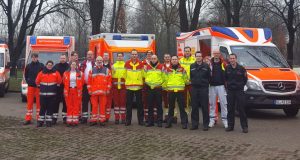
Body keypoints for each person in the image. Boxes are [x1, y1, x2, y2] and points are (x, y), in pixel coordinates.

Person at [225, 54, 248, 133]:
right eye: (231, 58)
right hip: (230, 91)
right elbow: (225, 79)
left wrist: (240, 86)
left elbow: (245, 79)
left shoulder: (241, 68)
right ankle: (230, 126)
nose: (232, 60)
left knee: (241, 109)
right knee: (230, 109)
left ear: (236, 59)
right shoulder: (227, 68)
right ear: (229, 60)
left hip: (239, 91)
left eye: (233, 58)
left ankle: (244, 127)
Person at [36, 61, 62, 127]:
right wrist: (41, 88)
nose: (49, 66)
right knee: (42, 108)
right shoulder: (41, 73)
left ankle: (48, 122)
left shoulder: (56, 73)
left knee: (50, 109)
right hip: (43, 95)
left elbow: (60, 81)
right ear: (46, 65)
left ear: (52, 65)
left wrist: (55, 88)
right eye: (48, 65)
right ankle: (40, 122)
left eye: (51, 65)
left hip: (52, 95)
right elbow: (37, 82)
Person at [165, 56, 188, 129]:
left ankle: (184, 123)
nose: (174, 60)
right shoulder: (167, 69)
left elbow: (185, 79)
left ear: (178, 60)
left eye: (175, 59)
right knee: (171, 108)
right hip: (171, 91)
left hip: (180, 91)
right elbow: (165, 79)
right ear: (171, 61)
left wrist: (188, 82)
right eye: (173, 59)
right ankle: (169, 123)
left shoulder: (182, 69)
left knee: (182, 108)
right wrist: (166, 87)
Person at [190, 52, 211, 131]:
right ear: (195, 57)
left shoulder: (206, 66)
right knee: (194, 107)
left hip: (203, 88)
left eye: (200, 56)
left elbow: (209, 77)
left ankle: (206, 124)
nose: (198, 57)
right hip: (194, 88)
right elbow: (191, 76)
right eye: (197, 56)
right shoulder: (192, 66)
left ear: (202, 57)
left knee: (204, 107)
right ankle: (195, 124)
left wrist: (205, 83)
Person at [88, 56, 112, 126]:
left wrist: (108, 89)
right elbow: (89, 82)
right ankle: (94, 120)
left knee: (102, 106)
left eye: (100, 60)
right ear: (96, 61)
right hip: (94, 92)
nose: (99, 61)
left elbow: (109, 81)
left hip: (103, 92)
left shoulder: (107, 70)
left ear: (102, 61)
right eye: (98, 60)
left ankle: (102, 120)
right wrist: (89, 90)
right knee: (94, 106)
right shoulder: (92, 70)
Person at [124, 49, 144, 126]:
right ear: (130, 55)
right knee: (128, 105)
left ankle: (141, 121)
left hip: (138, 87)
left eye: (135, 54)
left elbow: (143, 75)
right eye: (133, 54)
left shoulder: (141, 64)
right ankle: (128, 121)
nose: (134, 55)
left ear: (137, 55)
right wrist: (128, 81)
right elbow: (124, 75)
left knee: (140, 105)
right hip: (129, 87)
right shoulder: (127, 63)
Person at [209, 51, 228, 128]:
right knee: (212, 104)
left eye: (218, 53)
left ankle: (225, 120)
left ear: (219, 55)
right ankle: (212, 120)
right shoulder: (209, 63)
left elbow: (227, 72)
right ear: (213, 54)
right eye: (215, 53)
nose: (216, 55)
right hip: (212, 86)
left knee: (223, 103)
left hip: (221, 86)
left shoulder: (223, 63)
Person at [23, 54, 44, 125]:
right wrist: (28, 81)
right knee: (29, 103)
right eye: (33, 57)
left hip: (39, 87)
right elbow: (26, 75)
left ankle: (39, 119)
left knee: (39, 103)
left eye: (35, 57)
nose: (34, 58)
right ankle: (28, 119)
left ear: (37, 58)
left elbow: (43, 75)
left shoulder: (41, 66)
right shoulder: (28, 66)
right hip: (31, 86)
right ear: (31, 58)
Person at [144, 55, 164, 127]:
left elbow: (164, 77)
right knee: (150, 105)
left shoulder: (161, 66)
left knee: (159, 105)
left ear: (157, 59)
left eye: (155, 58)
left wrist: (160, 84)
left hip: (158, 88)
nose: (153, 59)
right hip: (150, 88)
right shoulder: (147, 67)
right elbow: (145, 76)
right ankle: (150, 121)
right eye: (152, 58)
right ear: (150, 59)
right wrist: (148, 84)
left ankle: (159, 121)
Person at [63, 61, 84, 126]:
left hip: (76, 90)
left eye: (75, 64)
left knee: (76, 105)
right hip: (69, 90)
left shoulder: (80, 73)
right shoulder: (65, 73)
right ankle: (69, 121)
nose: (73, 66)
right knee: (69, 105)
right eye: (72, 64)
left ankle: (75, 121)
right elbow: (64, 82)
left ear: (76, 65)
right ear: (70, 65)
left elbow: (82, 82)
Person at [53, 54, 69, 124]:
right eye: (61, 58)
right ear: (60, 59)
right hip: (57, 88)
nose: (62, 59)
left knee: (65, 103)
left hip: (65, 87)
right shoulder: (56, 66)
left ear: (66, 59)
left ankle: (65, 117)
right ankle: (54, 118)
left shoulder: (68, 66)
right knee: (56, 103)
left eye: (64, 58)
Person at [162, 53, 178, 123]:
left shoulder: (173, 66)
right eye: (166, 57)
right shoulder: (162, 66)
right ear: (164, 58)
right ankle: (166, 116)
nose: (167, 58)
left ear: (170, 59)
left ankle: (174, 116)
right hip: (164, 87)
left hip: (172, 87)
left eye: (168, 57)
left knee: (173, 102)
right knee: (166, 102)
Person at [79, 51, 95, 124]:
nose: (89, 56)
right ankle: (84, 118)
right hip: (85, 85)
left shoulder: (95, 64)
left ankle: (92, 118)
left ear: (93, 55)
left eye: (91, 54)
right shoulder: (82, 64)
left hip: (93, 85)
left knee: (93, 102)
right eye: (88, 54)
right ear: (86, 55)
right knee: (84, 102)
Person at [179, 46, 196, 114]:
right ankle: (185, 113)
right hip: (183, 82)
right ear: (184, 52)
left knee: (193, 98)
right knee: (183, 99)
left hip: (192, 82)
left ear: (190, 52)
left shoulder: (194, 60)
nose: (187, 52)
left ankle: (193, 112)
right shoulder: (181, 60)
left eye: (188, 51)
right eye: (186, 51)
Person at [112, 53, 127, 124]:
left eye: (121, 56)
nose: (120, 57)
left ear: (123, 57)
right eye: (118, 56)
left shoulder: (125, 65)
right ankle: (117, 118)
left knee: (123, 102)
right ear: (117, 57)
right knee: (116, 103)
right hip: (115, 87)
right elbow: (111, 76)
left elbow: (127, 76)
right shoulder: (113, 66)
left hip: (123, 87)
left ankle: (123, 118)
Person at [142, 50, 154, 122]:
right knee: (146, 101)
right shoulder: (143, 63)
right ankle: (147, 117)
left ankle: (154, 117)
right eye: (148, 54)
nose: (149, 55)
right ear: (146, 55)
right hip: (145, 84)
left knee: (154, 101)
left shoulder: (155, 63)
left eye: (150, 54)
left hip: (154, 84)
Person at [103, 52, 113, 122]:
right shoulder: (100, 65)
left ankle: (107, 117)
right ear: (103, 57)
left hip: (109, 86)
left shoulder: (111, 66)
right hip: (101, 87)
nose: (106, 57)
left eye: (107, 56)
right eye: (105, 56)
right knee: (103, 103)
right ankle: (102, 116)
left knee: (108, 103)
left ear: (109, 57)